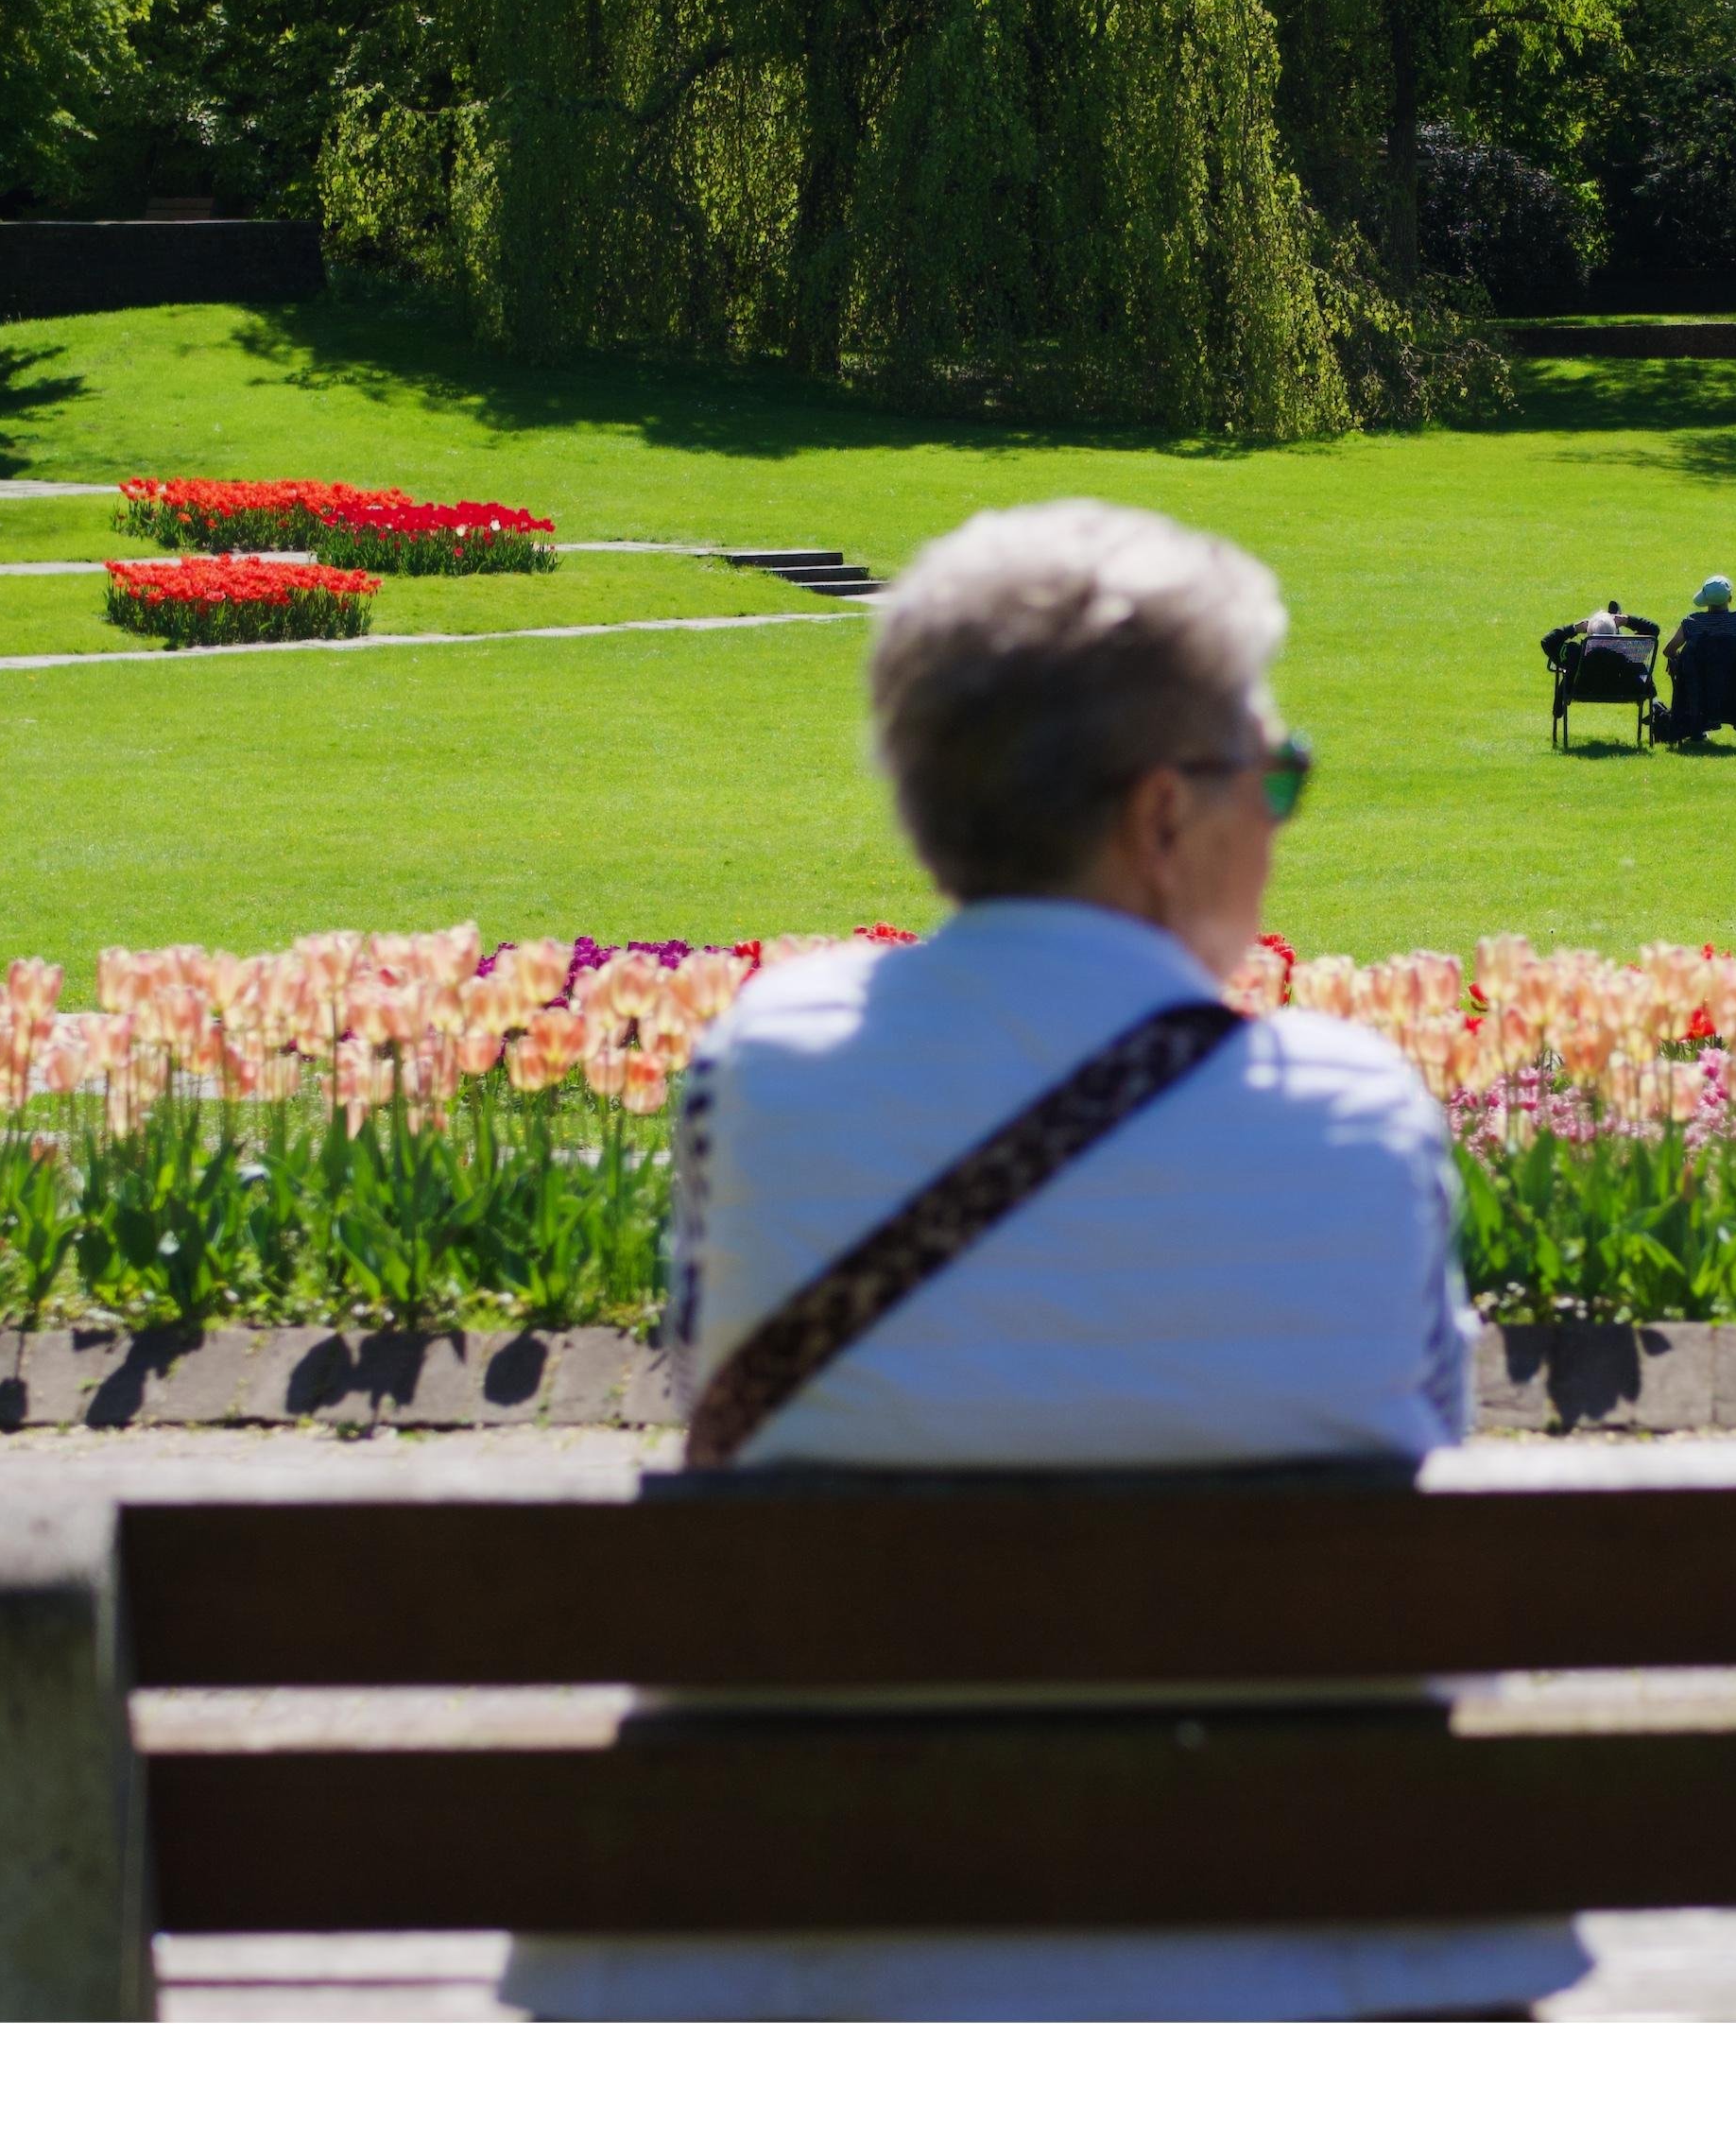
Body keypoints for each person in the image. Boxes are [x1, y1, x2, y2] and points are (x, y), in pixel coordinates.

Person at [503, 497, 1589, 2022]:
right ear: (1158, 818)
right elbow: (1422, 1449)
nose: (1280, 812)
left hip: (809, 1944)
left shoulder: (768, 1061)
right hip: (1293, 1958)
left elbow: (712, 1398)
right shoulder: (1351, 1109)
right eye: (1273, 772)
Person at [1657, 573, 1736, 746]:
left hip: (1699, 689)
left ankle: (1696, 730)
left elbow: (1669, 650)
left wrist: (1682, 660)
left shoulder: (1692, 623)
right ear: (1730, 598)